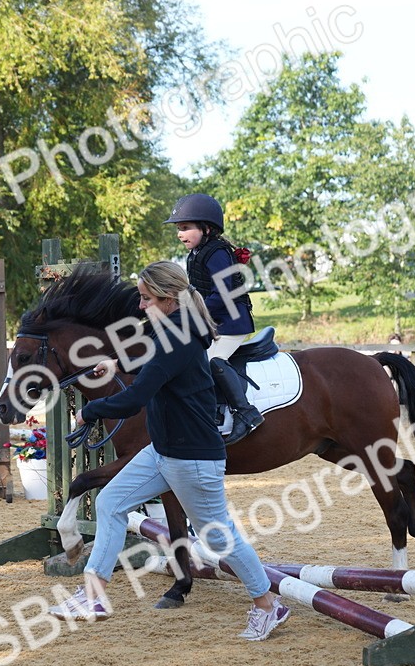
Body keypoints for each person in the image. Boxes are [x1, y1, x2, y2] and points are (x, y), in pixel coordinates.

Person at [46, 262, 290, 641]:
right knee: (110, 503)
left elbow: (136, 397)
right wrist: (116, 362)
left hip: (192, 458)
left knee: (219, 539)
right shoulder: (174, 329)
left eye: (146, 299)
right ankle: (93, 596)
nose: (141, 306)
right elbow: (150, 360)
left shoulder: (177, 338)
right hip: (163, 451)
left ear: (168, 299)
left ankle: (267, 605)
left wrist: (90, 411)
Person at [165, 192, 263, 445]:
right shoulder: (195, 254)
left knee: (211, 360)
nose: (180, 234)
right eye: (178, 229)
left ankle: (246, 413)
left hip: (232, 322)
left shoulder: (217, 252)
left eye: (185, 228)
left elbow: (223, 294)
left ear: (206, 228)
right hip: (215, 320)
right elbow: (197, 292)